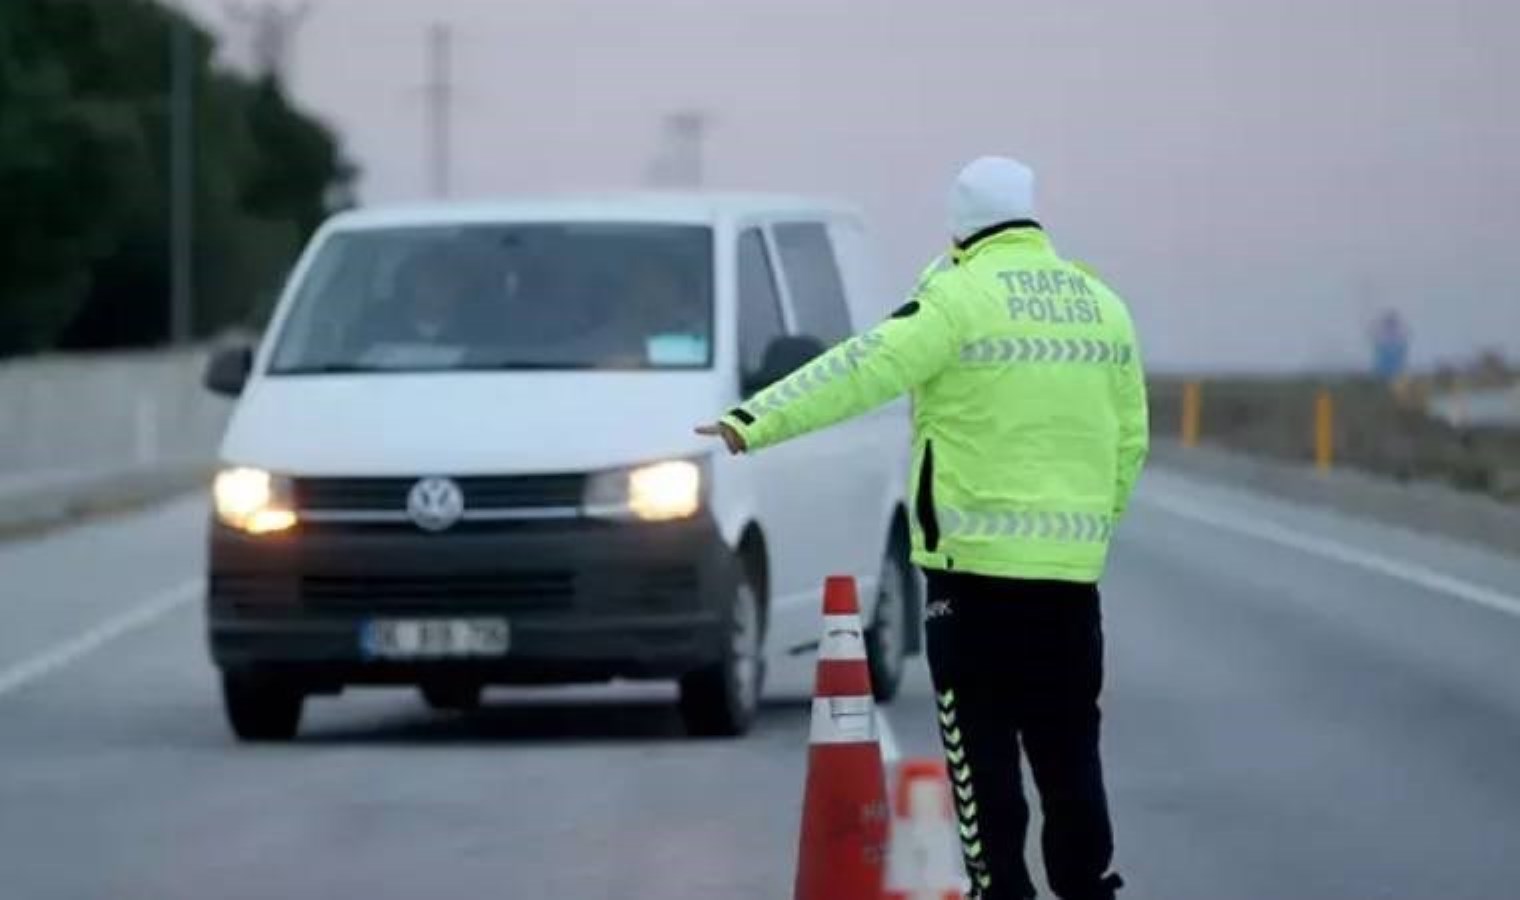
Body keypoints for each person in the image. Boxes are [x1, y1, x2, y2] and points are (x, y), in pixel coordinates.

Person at [696, 157, 1147, 900]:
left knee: (983, 759)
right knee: (1070, 753)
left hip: (973, 580)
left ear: (961, 226)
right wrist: (1086, 531)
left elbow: (858, 369)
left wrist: (753, 420)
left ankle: (1001, 891)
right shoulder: (1103, 306)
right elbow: (1129, 440)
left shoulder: (955, 298)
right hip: (1070, 581)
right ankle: (1087, 889)